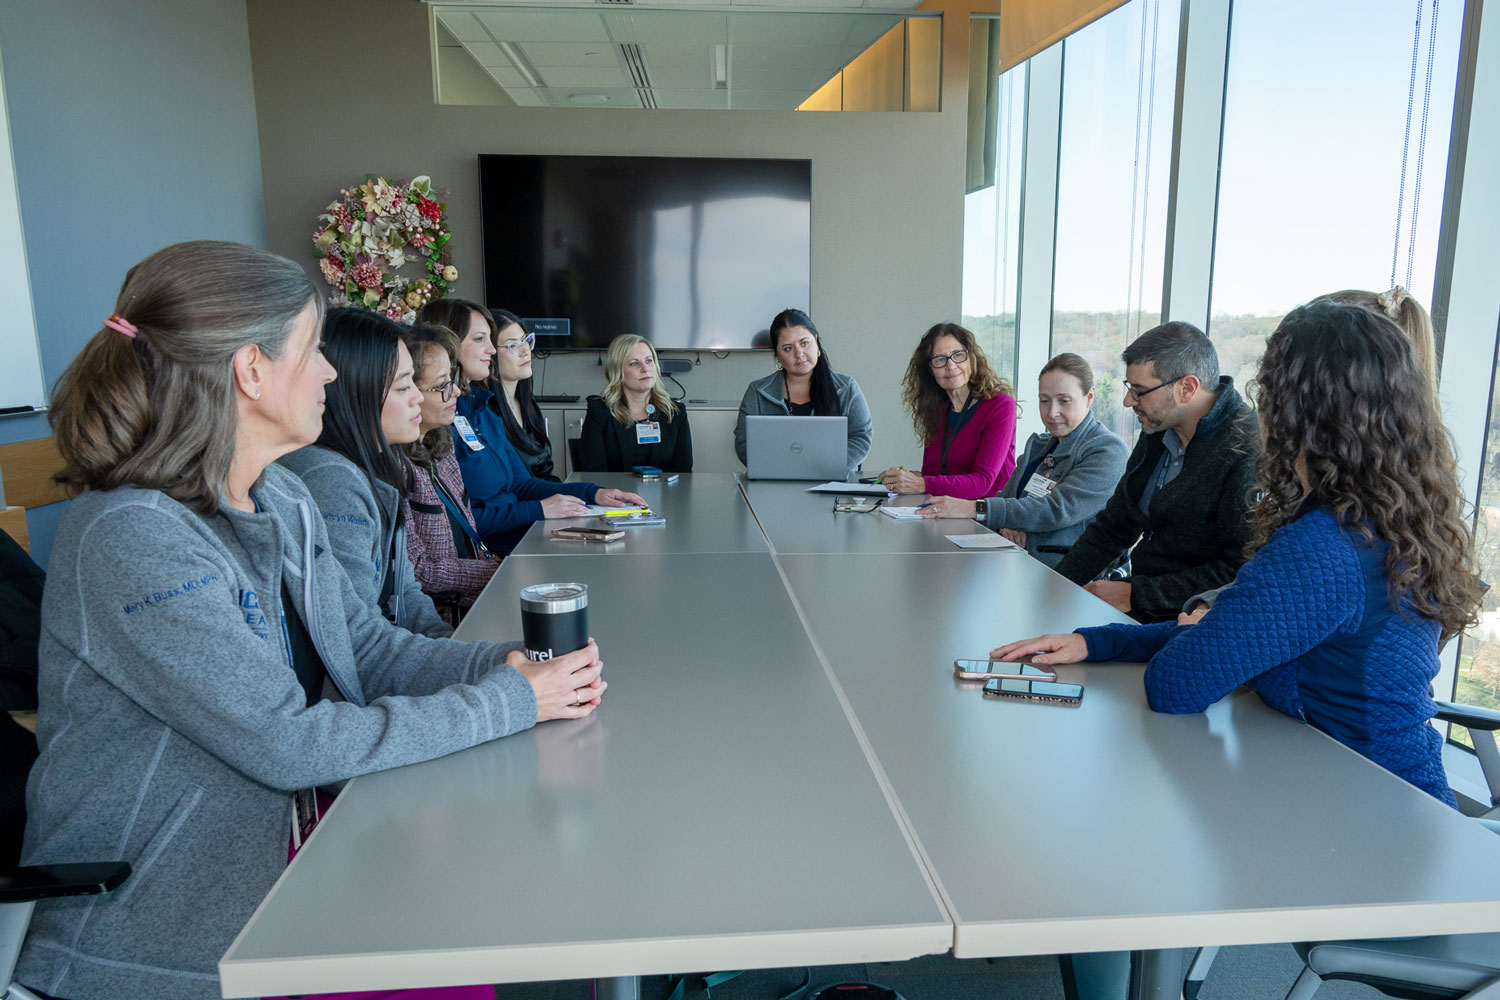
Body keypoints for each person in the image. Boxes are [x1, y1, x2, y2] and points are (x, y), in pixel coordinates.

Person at [16, 241, 606, 1000]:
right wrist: (509, 702)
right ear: (251, 370)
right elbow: (285, 743)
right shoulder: (132, 538)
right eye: (313, 351)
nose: (332, 372)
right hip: (169, 935)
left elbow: (365, 647)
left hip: (296, 864)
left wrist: (506, 667)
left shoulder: (280, 498)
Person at [994, 300, 1481, 807]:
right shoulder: (1384, 520)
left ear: (1294, 411)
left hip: (1364, 811)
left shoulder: (1323, 546)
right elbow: (1246, 627)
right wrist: (1100, 643)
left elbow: (1177, 683)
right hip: (1371, 793)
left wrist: (1184, 628)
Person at [1049, 322, 1259, 622]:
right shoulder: (1158, 427)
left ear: (1187, 388)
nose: (1127, 401)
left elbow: (1240, 569)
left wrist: (1136, 593)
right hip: (1142, 608)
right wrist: (1056, 588)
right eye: (1129, 389)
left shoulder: (1246, 448)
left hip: (1193, 626)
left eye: (1140, 391)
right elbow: (1114, 526)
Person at [415, 298, 645, 555]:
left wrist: (594, 494)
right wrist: (539, 509)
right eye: (480, 339)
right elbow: (458, 522)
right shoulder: (439, 423)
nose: (491, 350)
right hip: (499, 551)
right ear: (448, 344)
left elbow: (522, 485)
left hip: (523, 536)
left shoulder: (483, 411)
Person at [279, 308, 450, 638]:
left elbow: (407, 594)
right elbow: (359, 640)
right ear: (356, 393)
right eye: (403, 388)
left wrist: (451, 646)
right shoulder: (332, 481)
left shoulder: (379, 465)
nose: (418, 397)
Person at [921, 353, 1129, 567]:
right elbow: (1007, 497)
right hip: (1017, 565)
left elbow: (1056, 510)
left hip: (1068, 578)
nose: (1052, 412)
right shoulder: (1041, 447)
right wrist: (1010, 521)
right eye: (1044, 400)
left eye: (1064, 401)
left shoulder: (1108, 451)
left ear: (1090, 397)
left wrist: (976, 508)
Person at [400, 322, 501, 626]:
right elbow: (417, 570)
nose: (456, 390)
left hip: (475, 602)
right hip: (440, 621)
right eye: (443, 384)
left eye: (453, 378)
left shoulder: (440, 446)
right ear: (410, 392)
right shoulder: (394, 466)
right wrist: (494, 571)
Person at [422, 301, 560, 481]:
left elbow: (525, 484)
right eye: (512, 345)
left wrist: (590, 493)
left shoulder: (513, 406)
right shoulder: (477, 410)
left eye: (526, 340)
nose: (526, 350)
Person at [878, 322, 1016, 498]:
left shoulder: (999, 405)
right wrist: (904, 478)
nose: (951, 366)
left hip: (986, 518)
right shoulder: (938, 409)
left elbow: (982, 482)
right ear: (930, 370)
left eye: (958, 355)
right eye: (940, 360)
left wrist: (921, 483)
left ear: (972, 358)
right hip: (943, 513)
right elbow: (933, 474)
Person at [734, 308, 873, 480]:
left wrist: (828, 468)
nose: (799, 354)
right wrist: (781, 467)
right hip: (773, 483)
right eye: (787, 348)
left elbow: (861, 436)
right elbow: (743, 442)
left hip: (832, 484)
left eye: (804, 343)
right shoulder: (757, 391)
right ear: (777, 355)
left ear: (816, 342)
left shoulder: (846, 387)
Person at [577, 334, 693, 473]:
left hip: (666, 493)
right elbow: (594, 473)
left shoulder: (675, 412)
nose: (645, 369)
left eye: (649, 361)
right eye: (634, 363)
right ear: (618, 371)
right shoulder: (600, 412)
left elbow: (683, 472)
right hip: (615, 493)